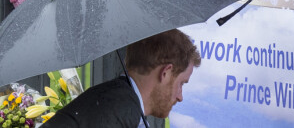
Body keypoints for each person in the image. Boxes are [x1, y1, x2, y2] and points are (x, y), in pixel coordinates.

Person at [41, 29, 201, 128]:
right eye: (181, 83)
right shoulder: (118, 108)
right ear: (165, 73)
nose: (180, 96)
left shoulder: (121, 101)